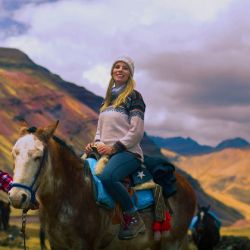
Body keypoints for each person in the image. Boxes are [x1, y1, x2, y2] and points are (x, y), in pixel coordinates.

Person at [85, 56, 146, 240]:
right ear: (112, 72)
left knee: (107, 176)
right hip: (105, 151)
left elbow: (136, 131)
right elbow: (99, 132)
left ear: (130, 74)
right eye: (116, 67)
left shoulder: (134, 97)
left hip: (128, 152)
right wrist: (94, 145)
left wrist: (114, 148)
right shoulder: (106, 102)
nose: (120, 70)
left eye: (124, 68)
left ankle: (133, 217)